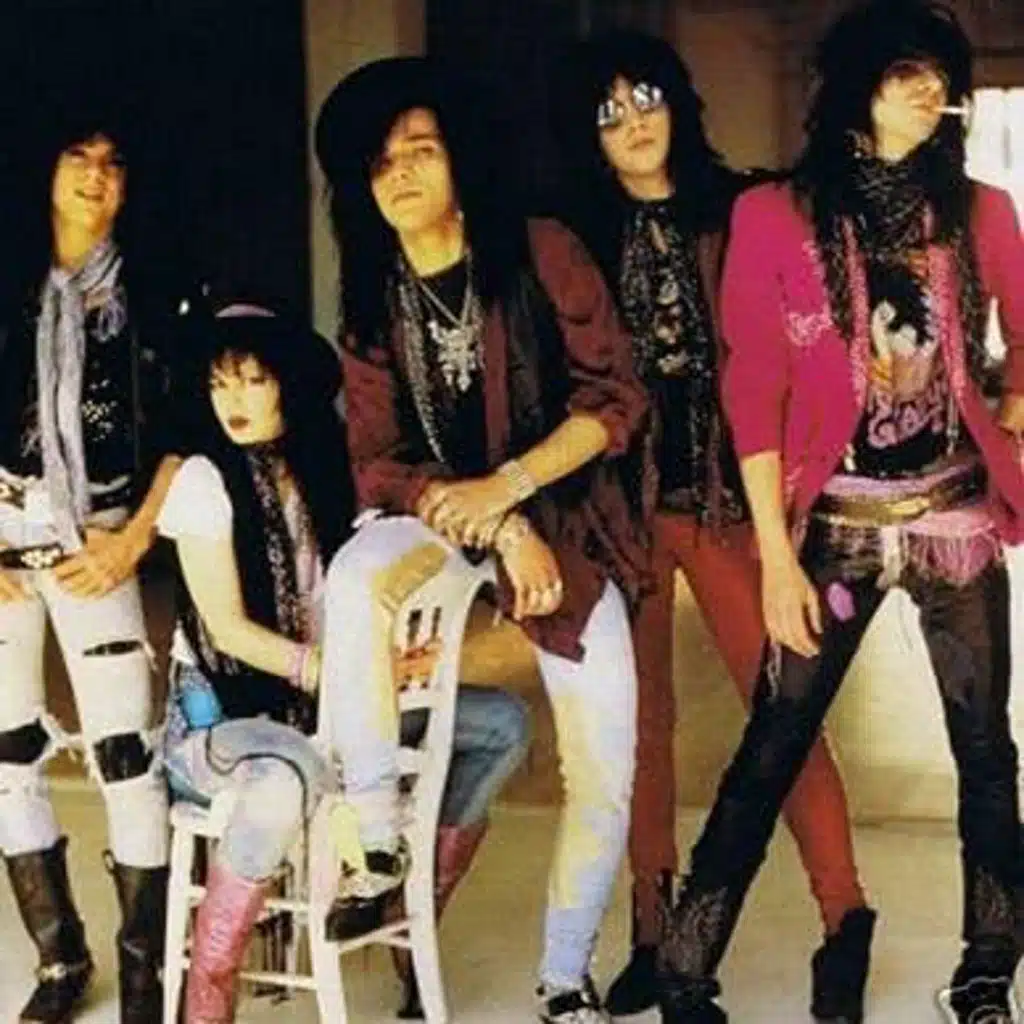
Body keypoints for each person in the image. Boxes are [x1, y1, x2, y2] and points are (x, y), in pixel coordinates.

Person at [655, 4, 1024, 1023]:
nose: (927, 90)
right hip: (836, 531)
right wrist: (776, 560)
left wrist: (1012, 412)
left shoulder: (982, 210)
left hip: (955, 521)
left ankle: (986, 976)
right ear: (858, 86)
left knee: (985, 752)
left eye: (938, 75)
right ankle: (684, 972)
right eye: (905, 72)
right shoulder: (777, 214)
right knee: (774, 740)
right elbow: (753, 386)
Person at [314, 56, 653, 1023]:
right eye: (381, 164)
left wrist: (513, 494)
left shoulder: (540, 249)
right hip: (446, 521)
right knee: (355, 574)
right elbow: (376, 462)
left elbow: (615, 399)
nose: (401, 175)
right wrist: (493, 523)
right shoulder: (374, 295)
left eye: (420, 150)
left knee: (605, 763)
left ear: (459, 159)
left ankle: (563, 977)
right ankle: (376, 835)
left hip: (570, 524)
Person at [559, 31, 869, 1017]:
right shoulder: (574, 237)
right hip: (625, 511)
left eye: (644, 97)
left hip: (734, 503)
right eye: (608, 111)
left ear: (677, 104)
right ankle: (655, 935)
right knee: (641, 727)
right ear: (589, 135)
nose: (631, 121)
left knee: (784, 710)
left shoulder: (744, 209)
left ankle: (844, 921)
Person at [159, 303, 531, 1023]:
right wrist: (338, 674)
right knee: (283, 780)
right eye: (220, 384)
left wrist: (390, 662)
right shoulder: (203, 480)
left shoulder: (330, 471)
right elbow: (228, 634)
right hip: (222, 723)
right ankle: (206, 994)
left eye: (254, 381)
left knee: (502, 726)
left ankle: (400, 906)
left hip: (330, 712)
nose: (234, 401)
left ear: (289, 386)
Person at [0, 91, 187, 1024]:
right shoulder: (10, 282)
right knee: (6, 752)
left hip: (102, 537)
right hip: (3, 539)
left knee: (124, 751)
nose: (95, 177)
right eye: (78, 155)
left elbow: (190, 430)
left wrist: (136, 535)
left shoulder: (150, 292)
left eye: (113, 163)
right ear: (46, 167)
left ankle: (144, 975)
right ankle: (59, 958)